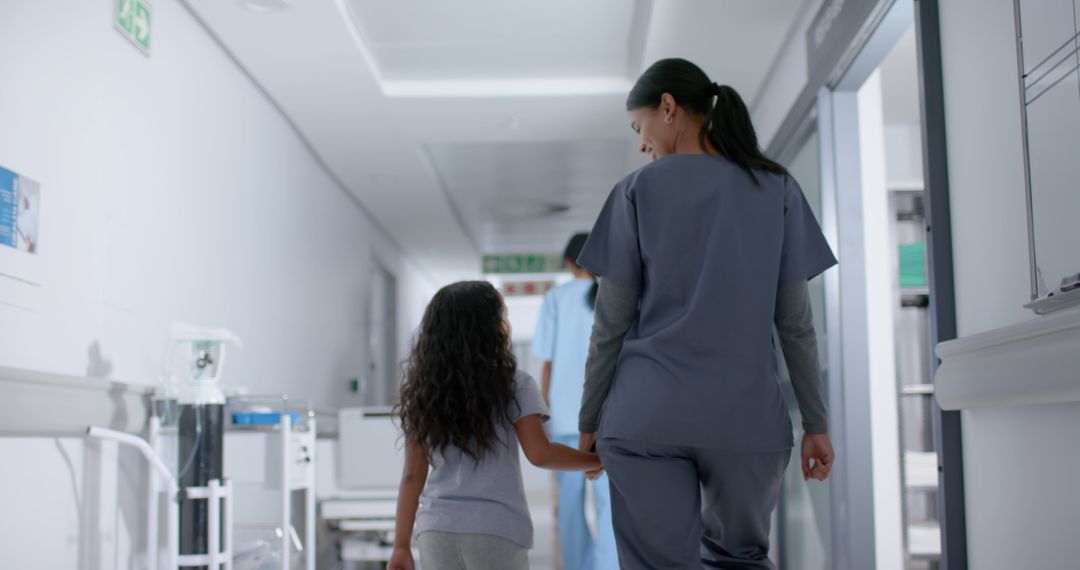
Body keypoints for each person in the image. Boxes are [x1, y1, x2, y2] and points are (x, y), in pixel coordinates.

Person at [575, 58, 838, 569]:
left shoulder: (635, 192)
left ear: (668, 108)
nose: (641, 142)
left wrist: (588, 420)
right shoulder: (777, 189)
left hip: (646, 418)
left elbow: (611, 325)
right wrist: (816, 423)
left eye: (639, 126)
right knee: (739, 558)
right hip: (745, 422)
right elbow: (795, 326)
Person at [387, 281, 603, 570]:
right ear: (490, 328)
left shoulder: (424, 392)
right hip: (495, 529)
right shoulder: (514, 383)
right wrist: (598, 459)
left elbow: (412, 476)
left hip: (437, 530)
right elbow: (540, 453)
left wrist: (401, 545)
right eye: (503, 316)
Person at [532, 233, 619, 570]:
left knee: (569, 505)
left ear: (569, 264)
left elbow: (548, 361)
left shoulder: (555, 298)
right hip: (608, 417)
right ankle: (609, 565)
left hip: (567, 418)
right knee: (609, 504)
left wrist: (543, 414)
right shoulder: (615, 293)